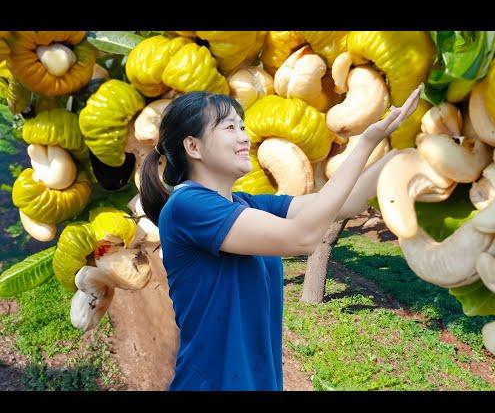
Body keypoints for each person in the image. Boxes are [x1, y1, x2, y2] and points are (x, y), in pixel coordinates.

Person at [139, 84, 422, 391]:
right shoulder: (187, 206)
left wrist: (405, 152)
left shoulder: (245, 204)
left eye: (243, 126)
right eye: (229, 127)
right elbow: (302, 238)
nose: (244, 137)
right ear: (193, 147)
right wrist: (367, 141)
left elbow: (347, 201)